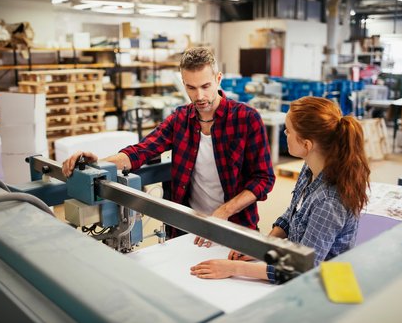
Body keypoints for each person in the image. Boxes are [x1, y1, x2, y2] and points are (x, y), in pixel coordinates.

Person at [62, 47, 275, 245]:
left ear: (218, 79)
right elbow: (141, 151)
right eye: (191, 87)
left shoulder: (247, 119)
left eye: (205, 86)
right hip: (188, 228)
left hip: (235, 226)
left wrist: (223, 212)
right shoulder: (180, 119)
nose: (199, 96)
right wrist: (99, 163)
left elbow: (264, 179)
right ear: (183, 83)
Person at [190, 96, 370, 283]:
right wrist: (261, 247)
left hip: (321, 283)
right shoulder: (310, 168)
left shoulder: (330, 201)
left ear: (306, 145)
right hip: (293, 260)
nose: (284, 133)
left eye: (289, 131)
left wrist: (234, 268)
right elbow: (291, 216)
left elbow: (302, 268)